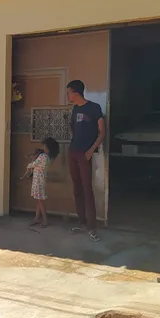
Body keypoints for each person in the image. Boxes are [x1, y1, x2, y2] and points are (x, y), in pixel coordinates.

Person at [66, 79, 105, 241]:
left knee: (87, 189)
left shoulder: (94, 108)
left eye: (68, 93)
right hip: (73, 152)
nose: (67, 96)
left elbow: (102, 132)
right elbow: (73, 129)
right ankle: (81, 222)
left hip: (85, 154)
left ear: (76, 93)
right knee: (77, 189)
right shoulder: (75, 109)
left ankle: (92, 227)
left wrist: (90, 151)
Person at [24, 137, 59, 228]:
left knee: (39, 201)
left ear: (47, 147)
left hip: (38, 180)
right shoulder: (49, 157)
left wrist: (31, 161)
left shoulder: (43, 156)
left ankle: (45, 219)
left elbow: (33, 165)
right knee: (39, 200)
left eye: (44, 145)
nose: (43, 147)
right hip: (41, 180)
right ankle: (37, 218)